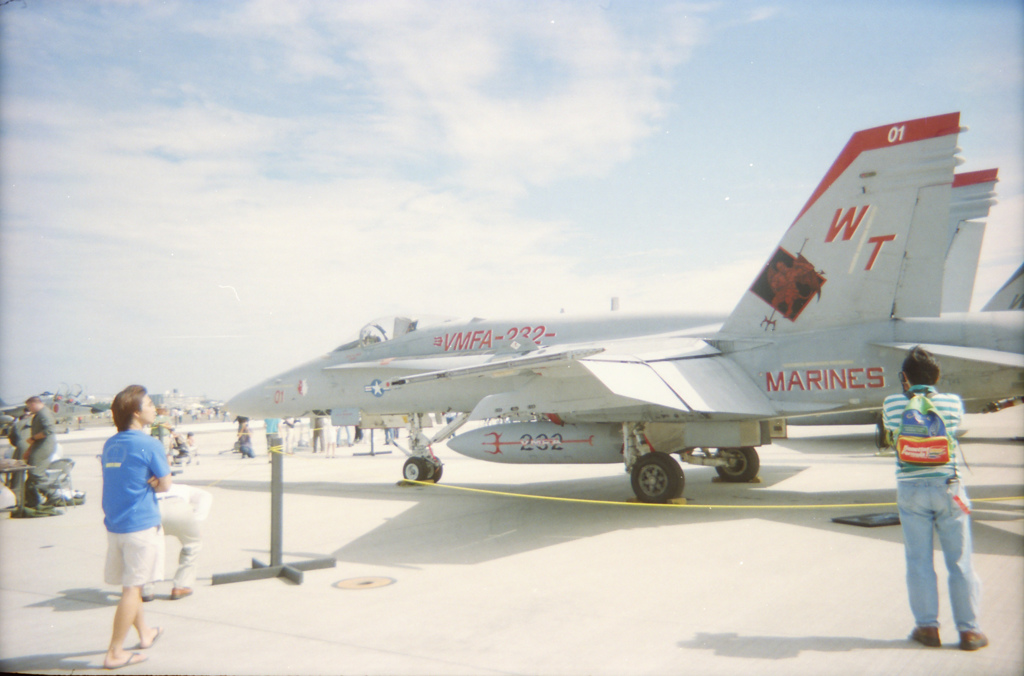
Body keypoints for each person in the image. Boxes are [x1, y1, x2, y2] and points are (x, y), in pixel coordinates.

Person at [882, 347, 987, 651]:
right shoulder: (953, 403)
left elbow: (892, 432)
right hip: (949, 487)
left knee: (918, 561)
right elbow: (951, 428)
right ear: (937, 376)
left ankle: (927, 628)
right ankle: (969, 631)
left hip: (911, 488)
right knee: (959, 561)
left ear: (904, 378)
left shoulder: (891, 404)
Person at [101, 385, 172, 669]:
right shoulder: (149, 443)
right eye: (150, 404)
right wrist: (155, 481)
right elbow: (166, 483)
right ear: (136, 412)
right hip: (141, 525)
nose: (154, 409)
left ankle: (144, 633)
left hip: (116, 525)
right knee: (133, 588)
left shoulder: (111, 443)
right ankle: (115, 652)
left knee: (134, 583)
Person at [142, 483, 213, 602]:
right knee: (193, 544)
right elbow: (206, 495)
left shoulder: (145, 487)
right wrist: (197, 520)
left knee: (149, 547)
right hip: (179, 508)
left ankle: (146, 588)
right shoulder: (181, 487)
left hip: (153, 508)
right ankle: (181, 586)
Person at [24, 396, 58, 508]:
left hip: (43, 448)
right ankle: (32, 502)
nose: (29, 409)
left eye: (29, 406)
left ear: (34, 404)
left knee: (36, 473)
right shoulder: (39, 414)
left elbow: (49, 430)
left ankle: (53, 495)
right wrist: (29, 450)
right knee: (31, 476)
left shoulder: (44, 414)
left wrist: (33, 439)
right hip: (38, 447)